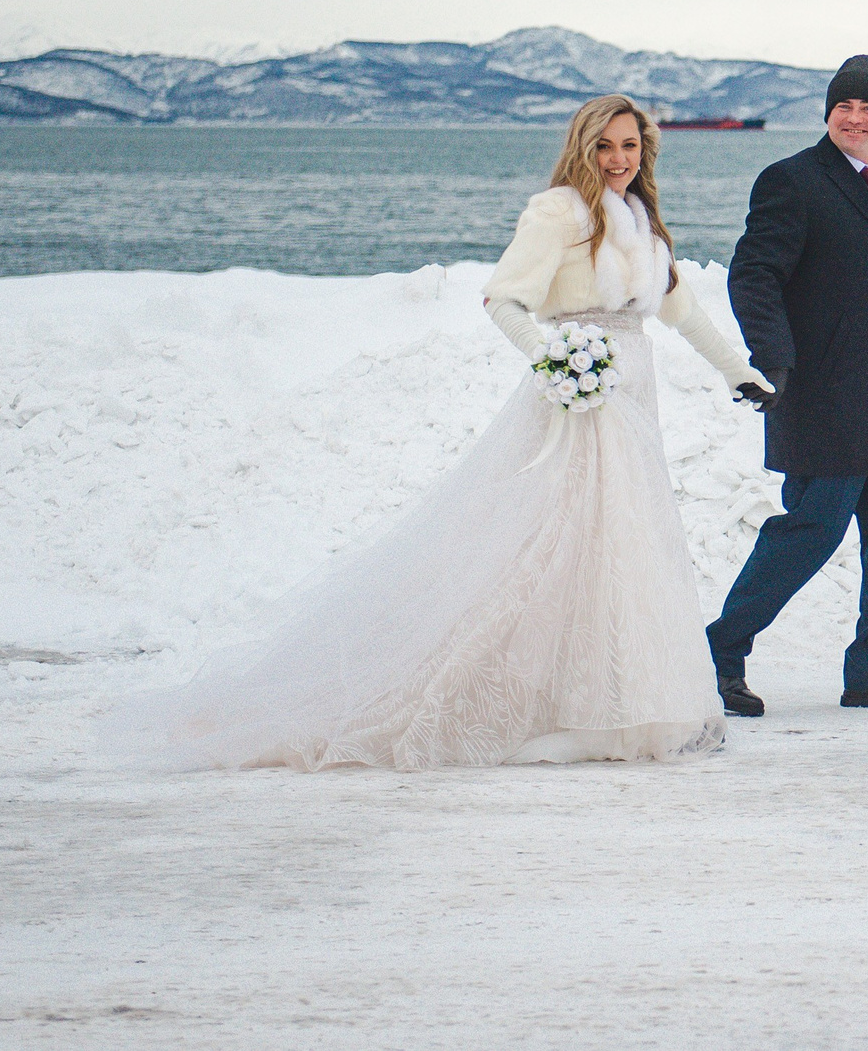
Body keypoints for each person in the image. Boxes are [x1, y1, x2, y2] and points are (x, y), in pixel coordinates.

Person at [108, 95, 773, 769]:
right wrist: (556, 361)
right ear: (582, 147)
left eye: (630, 146)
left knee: (623, 544)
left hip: (633, 396)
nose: (618, 159)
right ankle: (535, 700)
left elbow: (681, 309)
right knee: (553, 545)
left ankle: (615, 693)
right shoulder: (559, 215)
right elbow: (502, 298)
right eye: (605, 145)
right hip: (580, 400)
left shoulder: (642, 222)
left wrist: (738, 372)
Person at [707, 54, 868, 715]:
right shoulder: (791, 181)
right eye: (844, 107)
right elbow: (754, 274)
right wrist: (772, 354)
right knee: (812, 529)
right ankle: (717, 653)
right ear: (828, 113)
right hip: (822, 397)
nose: (855, 118)